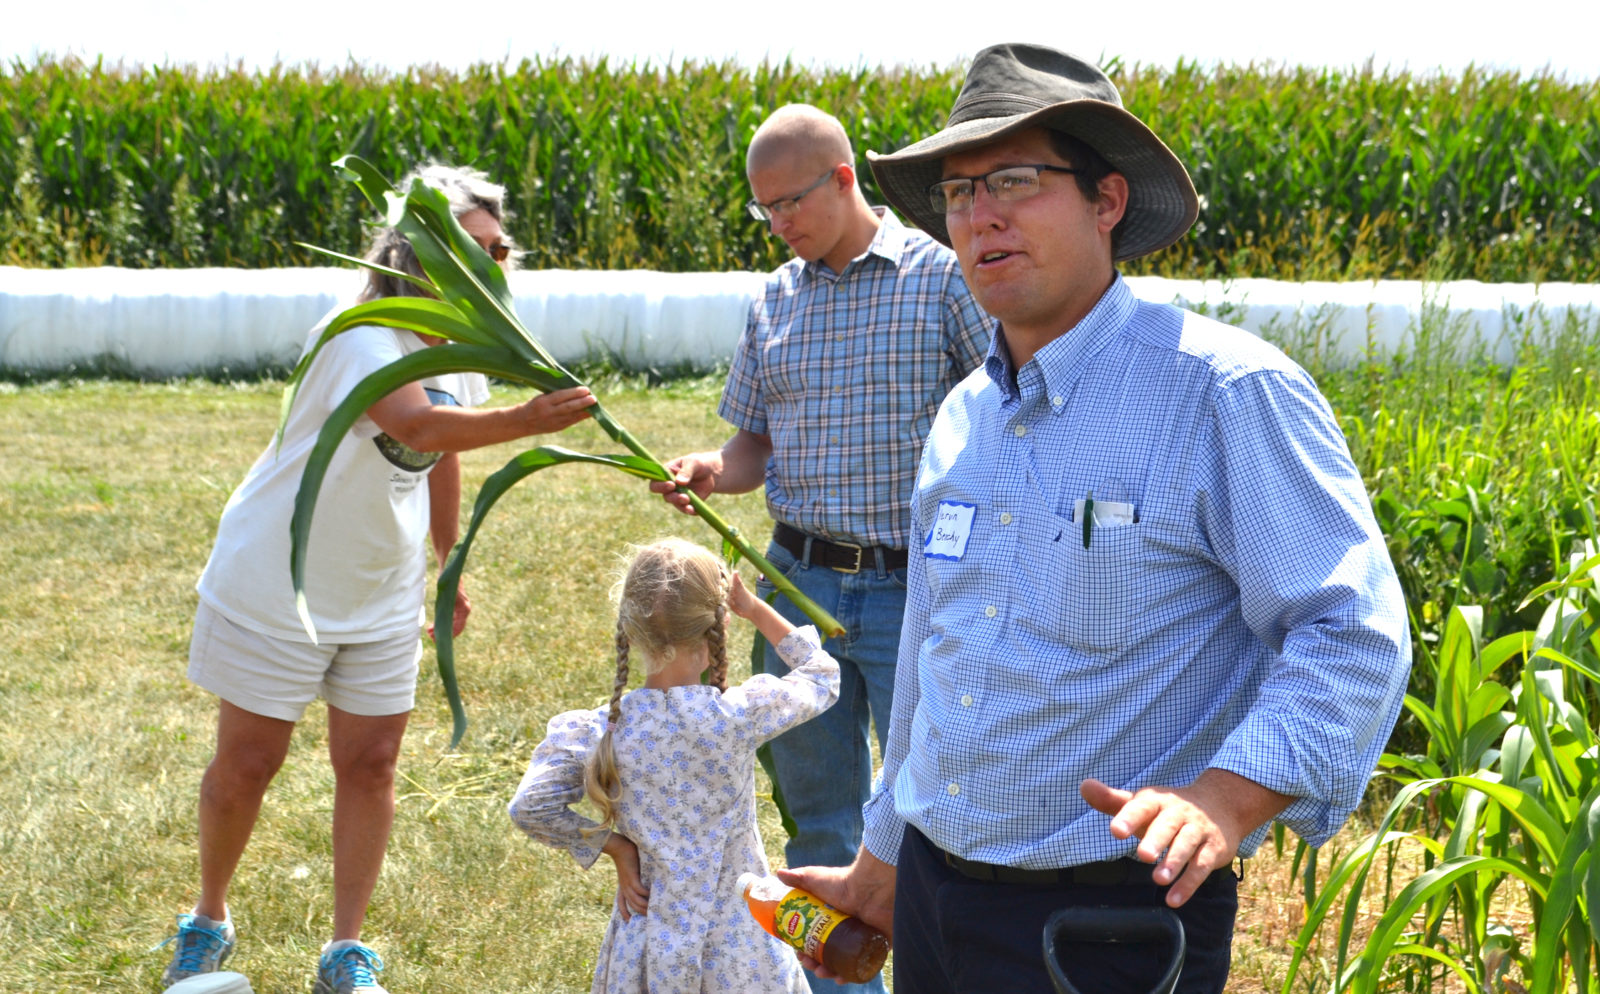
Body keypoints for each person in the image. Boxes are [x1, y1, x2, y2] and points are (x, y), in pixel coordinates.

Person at [778, 43, 1412, 994]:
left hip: (1103, 929)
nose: (979, 214)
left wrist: (1221, 800)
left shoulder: (1222, 393)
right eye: (957, 192)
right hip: (938, 900)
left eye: (1016, 181)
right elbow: (932, 656)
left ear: (1107, 201)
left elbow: (1351, 631)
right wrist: (884, 856)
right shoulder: (965, 417)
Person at [158, 163, 598, 994]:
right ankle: (208, 919)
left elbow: (441, 451)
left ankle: (344, 953)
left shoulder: (459, 344)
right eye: (474, 247)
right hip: (278, 580)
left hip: (380, 591)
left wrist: (447, 558)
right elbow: (416, 421)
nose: (493, 263)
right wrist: (527, 418)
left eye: (500, 248)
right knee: (247, 765)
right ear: (415, 250)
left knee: (372, 765)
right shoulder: (361, 333)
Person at [649, 104, 990, 991]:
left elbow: (1006, 413)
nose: (779, 224)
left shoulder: (941, 281)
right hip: (797, 587)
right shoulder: (776, 298)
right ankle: (845, 981)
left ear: (844, 180)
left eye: (790, 202)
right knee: (818, 818)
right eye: (763, 210)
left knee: (923, 806)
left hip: (915, 587)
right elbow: (753, 443)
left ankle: (933, 967)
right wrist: (710, 469)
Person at [508, 538, 841, 994]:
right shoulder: (735, 716)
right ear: (719, 621)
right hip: (739, 947)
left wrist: (616, 847)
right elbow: (822, 676)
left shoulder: (601, 732)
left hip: (647, 941)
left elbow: (530, 807)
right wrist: (755, 609)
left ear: (628, 624)